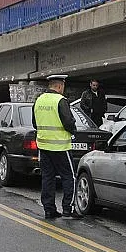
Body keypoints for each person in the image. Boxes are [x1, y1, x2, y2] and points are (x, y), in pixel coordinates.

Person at [33, 74, 80, 219]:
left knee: (48, 178)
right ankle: (68, 208)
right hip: (60, 147)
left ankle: (49, 210)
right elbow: (68, 122)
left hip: (43, 146)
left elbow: (35, 123)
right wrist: (73, 131)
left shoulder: (39, 100)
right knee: (69, 177)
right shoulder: (60, 100)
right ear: (60, 86)